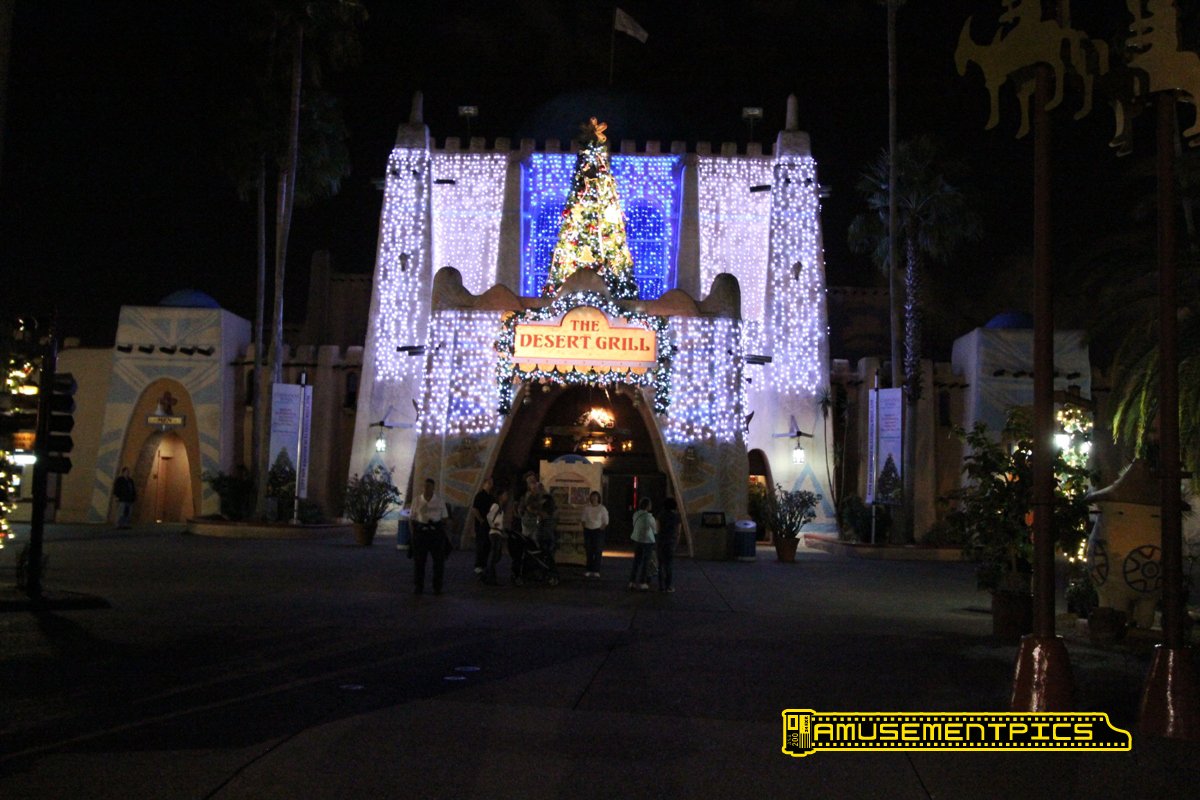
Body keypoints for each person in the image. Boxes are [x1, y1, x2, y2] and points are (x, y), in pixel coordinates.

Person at [410, 478, 448, 595]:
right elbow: (412, 518)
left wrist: (439, 527)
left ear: (433, 488)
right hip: (421, 533)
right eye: (425, 486)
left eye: (429, 486)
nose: (427, 489)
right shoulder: (417, 500)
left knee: (438, 561)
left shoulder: (439, 501)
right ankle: (418, 586)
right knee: (419, 561)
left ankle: (437, 587)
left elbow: (445, 517)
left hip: (435, 533)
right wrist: (414, 534)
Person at [628, 497, 656, 590]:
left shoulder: (636, 514)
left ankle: (632, 581)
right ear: (648, 506)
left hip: (637, 539)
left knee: (636, 561)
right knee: (646, 562)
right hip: (647, 541)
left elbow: (634, 524)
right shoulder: (649, 517)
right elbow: (654, 529)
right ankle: (642, 582)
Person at [470, 476, 495, 578]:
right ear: (484, 484)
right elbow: (475, 509)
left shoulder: (491, 496)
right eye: (489, 483)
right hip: (482, 524)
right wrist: (480, 520)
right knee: (481, 544)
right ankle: (478, 565)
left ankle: (484, 564)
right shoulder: (480, 496)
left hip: (489, 523)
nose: (490, 485)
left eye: (491, 483)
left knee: (487, 544)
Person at [482, 488, 509, 586]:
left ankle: (486, 573)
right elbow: (489, 516)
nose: (506, 497)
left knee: (497, 555)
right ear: (500, 496)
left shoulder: (500, 507)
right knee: (494, 555)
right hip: (495, 533)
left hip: (498, 532)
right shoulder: (496, 506)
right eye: (505, 495)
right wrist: (493, 525)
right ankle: (490, 576)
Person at [581, 490, 609, 578]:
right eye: (592, 496)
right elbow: (583, 519)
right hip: (588, 531)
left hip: (598, 531)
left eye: (596, 497)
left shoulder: (602, 508)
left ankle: (596, 570)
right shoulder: (587, 508)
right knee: (589, 550)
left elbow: (606, 521)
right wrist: (585, 527)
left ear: (598, 498)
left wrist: (601, 529)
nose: (594, 498)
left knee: (597, 551)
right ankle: (589, 569)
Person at [657, 497, 680, 593]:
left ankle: (661, 586)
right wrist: (676, 542)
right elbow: (678, 531)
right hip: (671, 541)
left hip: (661, 541)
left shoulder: (661, 515)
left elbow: (657, 529)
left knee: (660, 565)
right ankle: (668, 586)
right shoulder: (676, 517)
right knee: (669, 564)